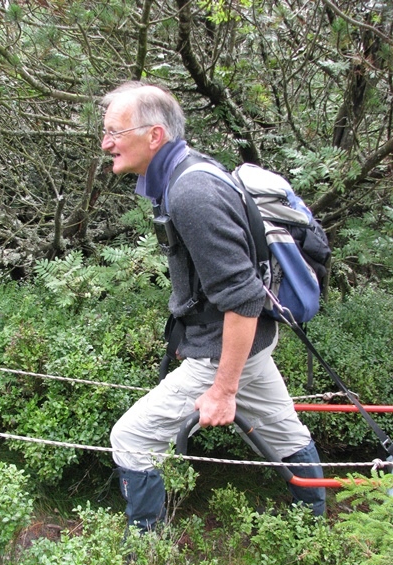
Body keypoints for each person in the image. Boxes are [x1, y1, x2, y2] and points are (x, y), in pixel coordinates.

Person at [101, 81, 326, 533]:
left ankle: (145, 549)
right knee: (285, 435)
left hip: (224, 349)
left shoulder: (191, 193)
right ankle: (313, 531)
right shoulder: (189, 172)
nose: (106, 143)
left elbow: (243, 296)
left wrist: (222, 390)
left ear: (154, 136)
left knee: (131, 438)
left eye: (114, 132)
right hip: (251, 342)